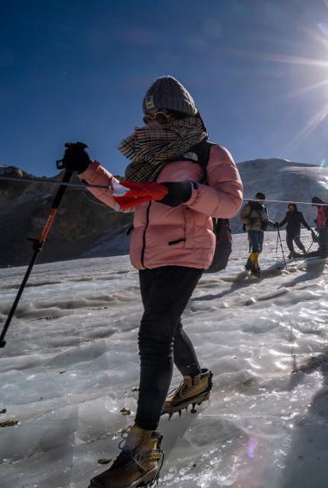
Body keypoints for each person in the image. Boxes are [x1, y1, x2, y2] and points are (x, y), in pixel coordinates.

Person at [61, 76, 243, 488]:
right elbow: (121, 198)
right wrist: (88, 170)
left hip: (189, 250)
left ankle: (143, 449)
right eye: (152, 115)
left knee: (154, 335)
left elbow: (231, 202)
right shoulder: (145, 159)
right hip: (149, 257)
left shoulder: (209, 152)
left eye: (167, 114)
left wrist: (188, 192)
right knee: (167, 325)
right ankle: (195, 379)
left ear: (188, 114)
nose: (158, 120)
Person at [239, 192, 275, 276]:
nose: (262, 201)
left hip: (260, 230)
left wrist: (274, 224)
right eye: (260, 199)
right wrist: (249, 221)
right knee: (256, 249)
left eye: (263, 199)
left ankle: (249, 265)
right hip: (252, 230)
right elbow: (242, 218)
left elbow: (266, 220)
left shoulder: (263, 208)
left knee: (259, 250)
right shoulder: (249, 206)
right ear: (256, 198)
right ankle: (255, 269)